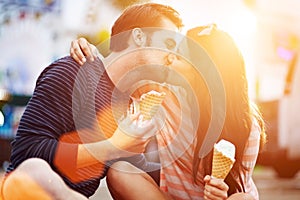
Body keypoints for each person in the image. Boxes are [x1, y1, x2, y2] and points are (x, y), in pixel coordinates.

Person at [0, 3, 184, 200]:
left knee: (123, 170)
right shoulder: (73, 71)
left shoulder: (129, 105)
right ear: (139, 37)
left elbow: (138, 175)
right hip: (29, 191)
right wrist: (111, 146)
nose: (173, 57)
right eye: (169, 44)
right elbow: (28, 151)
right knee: (34, 169)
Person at [70, 24, 266, 199]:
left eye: (180, 55)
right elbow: (117, 73)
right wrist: (92, 53)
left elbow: (242, 189)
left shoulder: (246, 126)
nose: (170, 58)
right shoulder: (163, 95)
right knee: (120, 172)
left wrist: (220, 193)